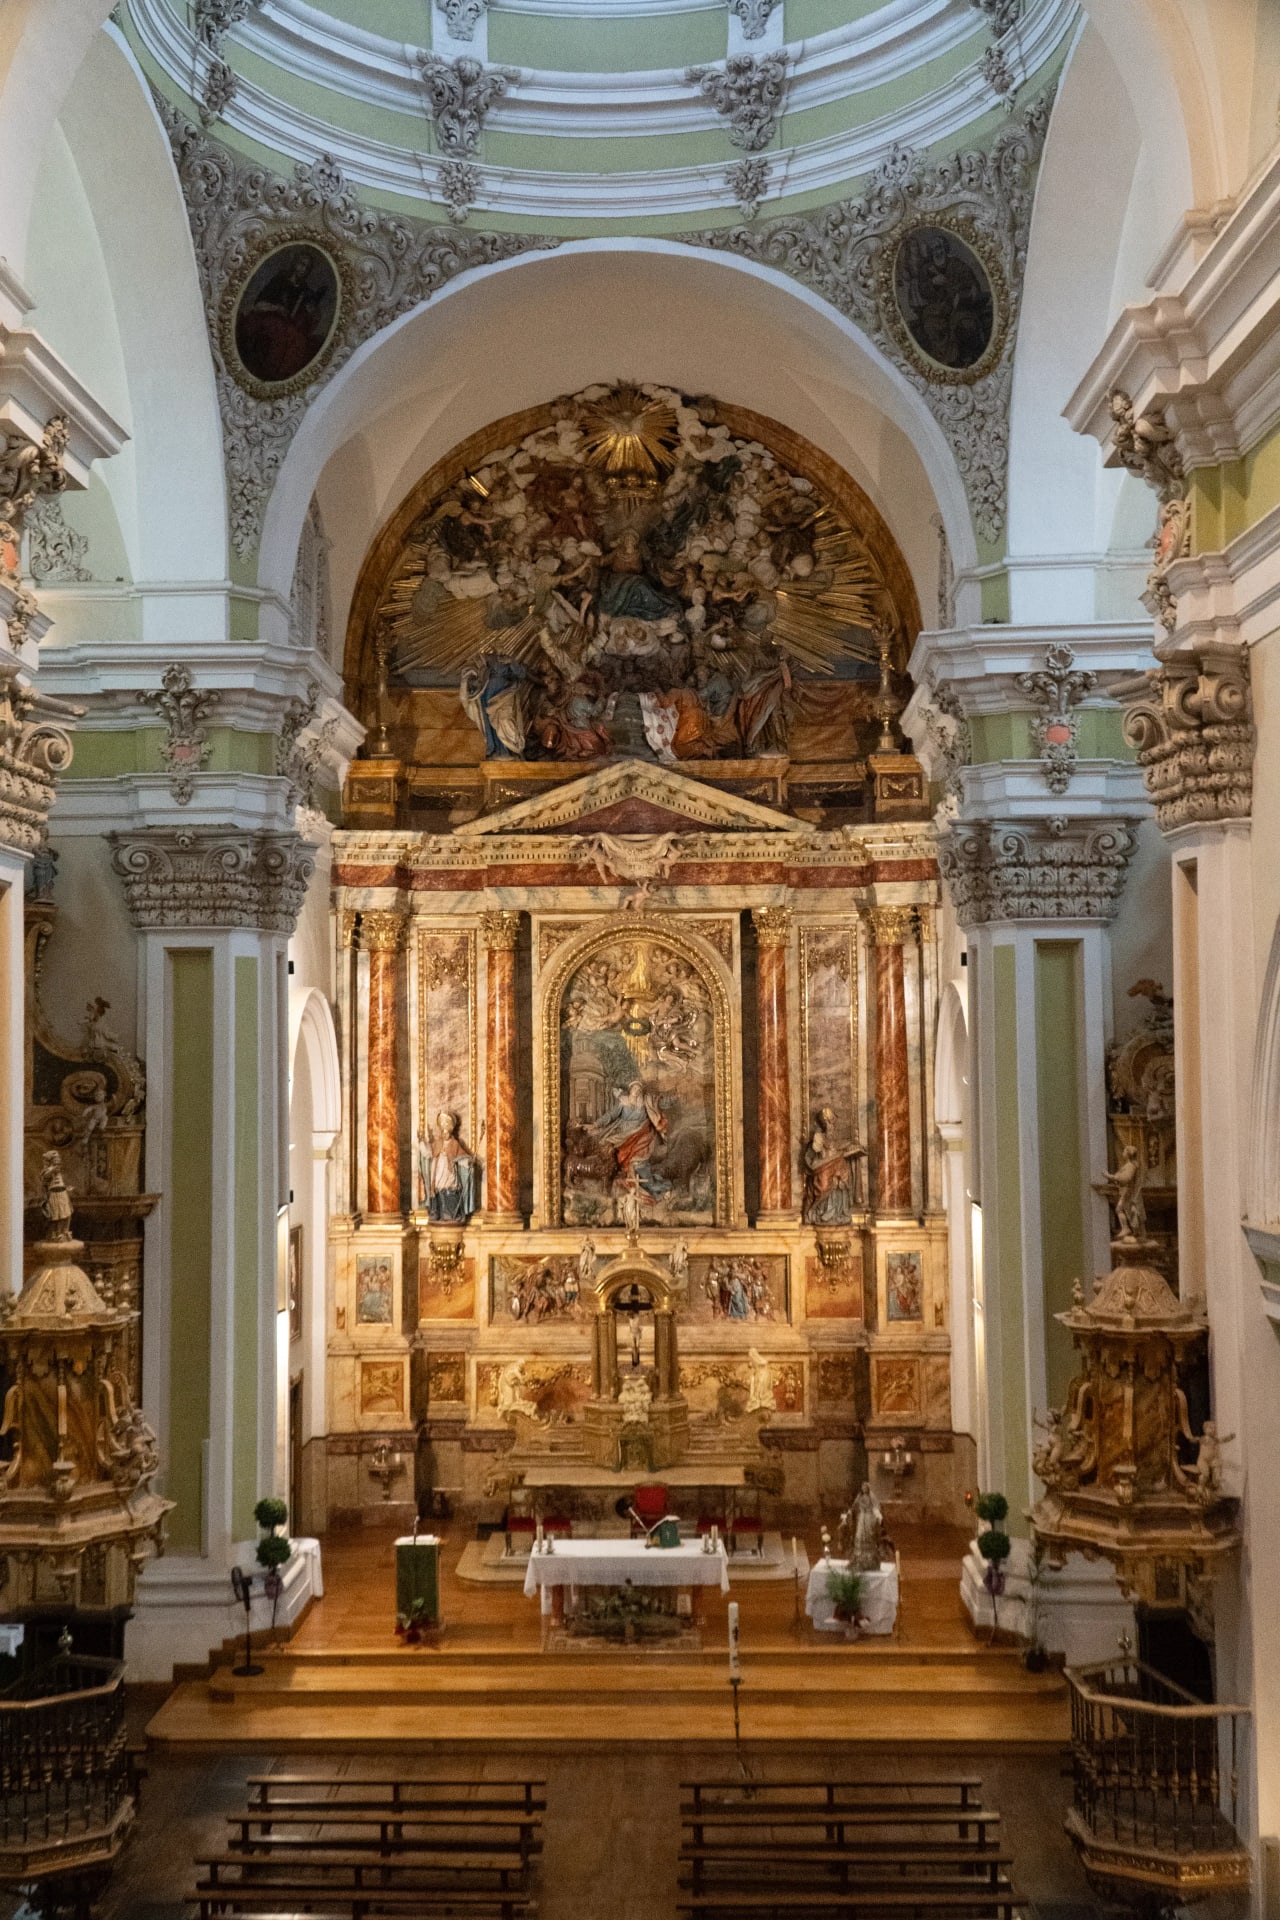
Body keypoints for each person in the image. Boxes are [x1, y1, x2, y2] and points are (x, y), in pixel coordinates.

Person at [425, 1110, 479, 1223]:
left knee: (450, 1189)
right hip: (438, 1172)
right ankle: (438, 1212)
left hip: (449, 1173)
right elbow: (429, 1154)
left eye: (447, 1131)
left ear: (450, 1132)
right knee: (438, 1190)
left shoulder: (455, 1144)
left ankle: (450, 1214)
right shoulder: (437, 1143)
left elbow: (462, 1157)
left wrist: (468, 1162)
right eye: (443, 1131)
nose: (445, 1134)